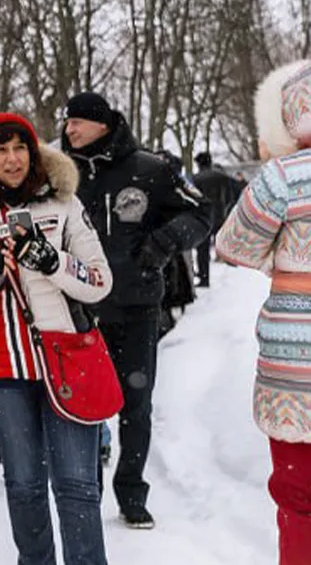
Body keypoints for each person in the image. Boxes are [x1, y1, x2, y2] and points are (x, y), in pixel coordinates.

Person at [0, 112, 114, 565]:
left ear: (33, 154)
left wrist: (53, 261)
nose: (12, 159)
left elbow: (99, 281)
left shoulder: (65, 204)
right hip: (1, 371)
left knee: (77, 485)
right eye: (0, 150)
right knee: (24, 484)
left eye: (20, 148)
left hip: (66, 361)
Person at [216, 52, 311, 565]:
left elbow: (233, 245)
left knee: (304, 506)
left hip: (302, 372)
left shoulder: (284, 175)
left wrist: (290, 260)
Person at [60, 91, 209, 530]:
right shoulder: (59, 173)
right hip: (80, 310)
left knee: (136, 406)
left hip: (138, 307)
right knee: (84, 407)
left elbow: (200, 214)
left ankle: (132, 493)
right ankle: (86, 491)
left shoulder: (150, 170)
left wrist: (162, 243)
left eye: (79, 121)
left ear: (103, 124)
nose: (70, 129)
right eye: (67, 122)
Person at [191, 151, 244, 288]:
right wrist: (230, 204)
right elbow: (239, 190)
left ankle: (204, 278)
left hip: (203, 216)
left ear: (198, 163)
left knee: (202, 249)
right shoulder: (223, 177)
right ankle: (231, 261)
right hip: (220, 214)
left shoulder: (195, 179)